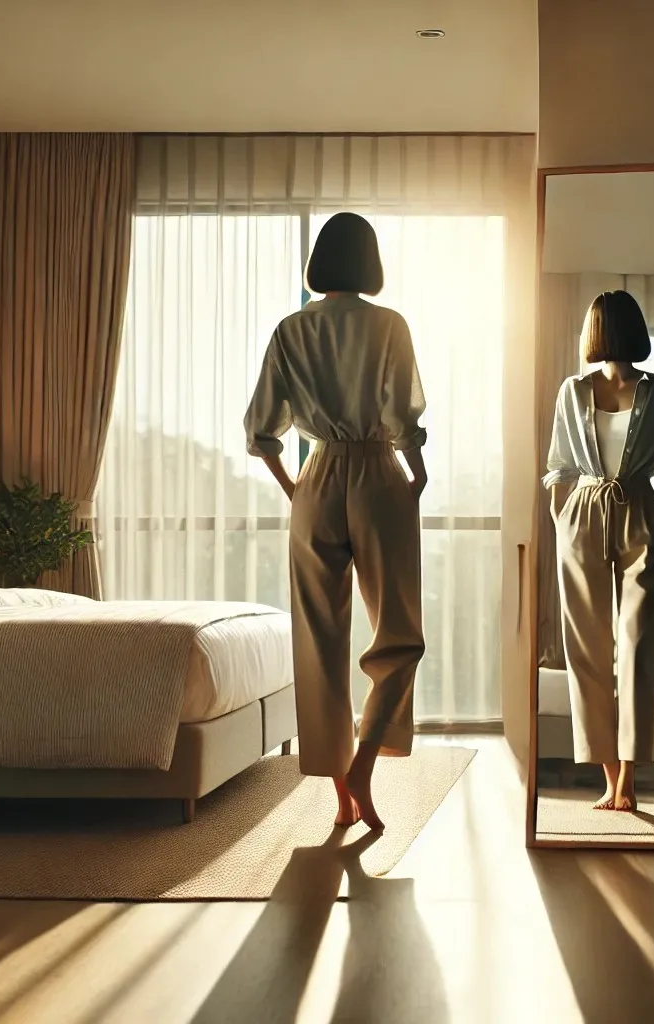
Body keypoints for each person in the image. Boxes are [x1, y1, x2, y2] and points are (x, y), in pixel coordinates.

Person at [244, 212, 427, 831]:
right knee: (399, 635)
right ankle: (365, 765)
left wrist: (297, 487)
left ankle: (342, 788)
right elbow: (401, 414)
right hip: (378, 474)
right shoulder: (389, 325)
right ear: (370, 263)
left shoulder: (291, 331)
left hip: (316, 480)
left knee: (318, 639)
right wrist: (416, 470)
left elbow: (261, 432)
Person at [543, 290, 654, 812]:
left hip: (639, 510)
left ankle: (629, 777)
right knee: (585, 646)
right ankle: (610, 777)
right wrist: (561, 514)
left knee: (638, 644)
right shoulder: (572, 390)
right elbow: (560, 467)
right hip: (583, 511)